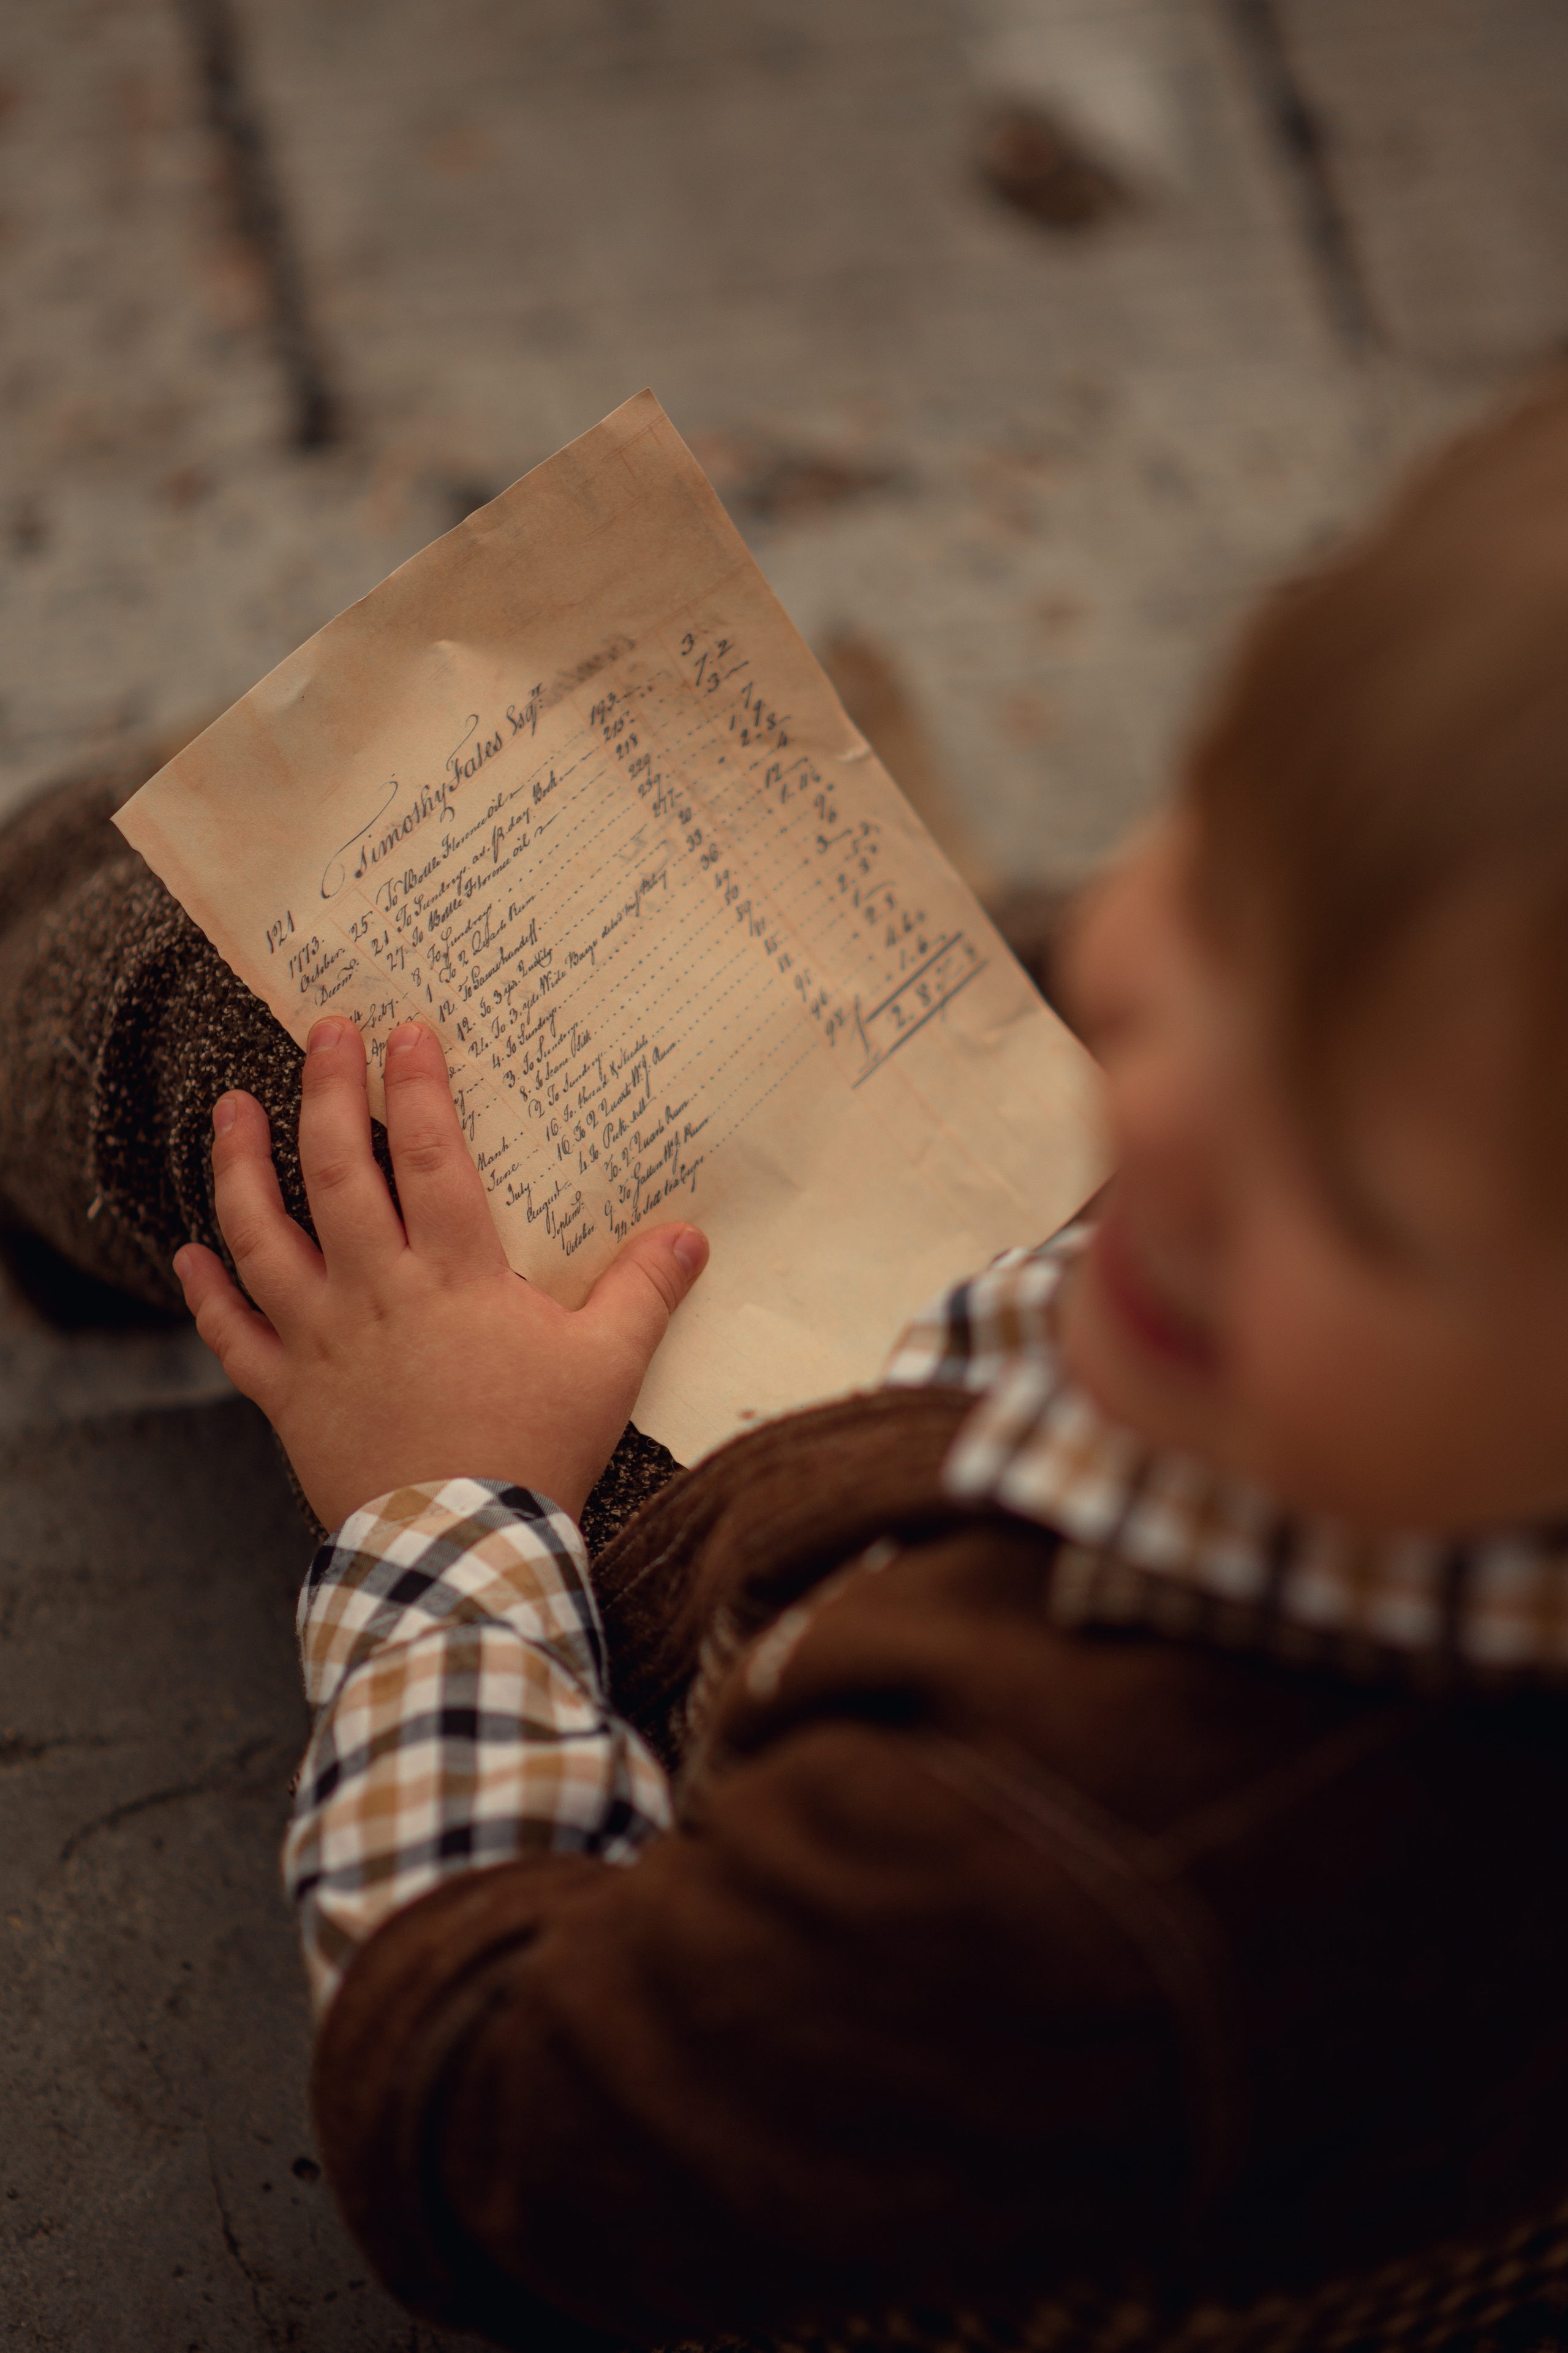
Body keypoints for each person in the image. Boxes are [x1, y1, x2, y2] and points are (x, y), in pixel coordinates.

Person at [10, 383, 1568, 2353]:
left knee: (231, 1006)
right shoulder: (1393, 1401)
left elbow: (492, 2120)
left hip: (738, 1726)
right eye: (1239, 883)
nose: (1157, 1100)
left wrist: (447, 1513)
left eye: (1357, 1200)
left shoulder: (1052, 1875)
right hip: (943, 1485)